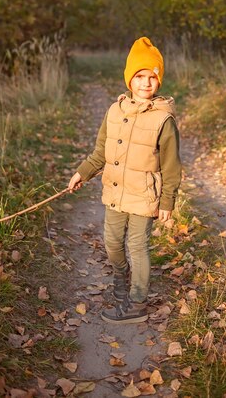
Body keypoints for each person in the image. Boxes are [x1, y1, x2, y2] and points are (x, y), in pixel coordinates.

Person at [67, 37, 182, 323]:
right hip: (116, 192)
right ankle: (122, 281)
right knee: (112, 243)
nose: (146, 83)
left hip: (144, 195)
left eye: (152, 77)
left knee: (138, 246)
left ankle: (137, 303)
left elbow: (171, 165)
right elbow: (100, 152)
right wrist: (83, 172)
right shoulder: (114, 111)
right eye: (140, 76)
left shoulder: (163, 119)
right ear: (129, 79)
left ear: (159, 81)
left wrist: (167, 200)